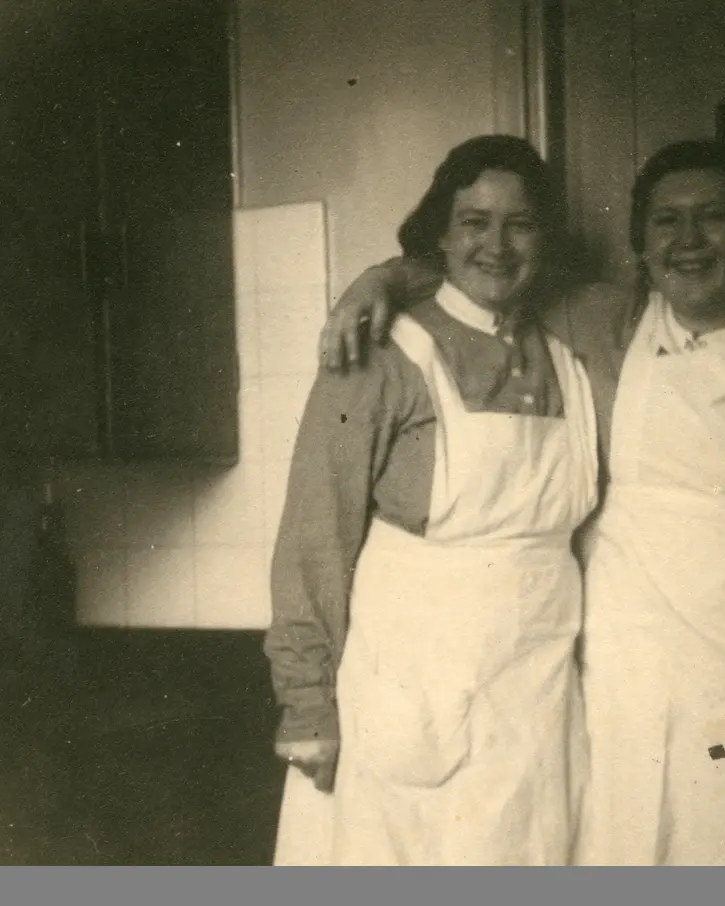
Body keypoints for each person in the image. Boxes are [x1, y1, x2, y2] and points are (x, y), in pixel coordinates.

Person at [320, 138, 725, 865]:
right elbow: (486, 269)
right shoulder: (605, 322)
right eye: (665, 221)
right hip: (628, 676)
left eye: (712, 217)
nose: (688, 241)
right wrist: (378, 280)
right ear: (641, 246)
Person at [262, 135, 599, 866]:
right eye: (473, 222)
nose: (497, 246)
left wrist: (387, 275)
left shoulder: (569, 354)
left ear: (545, 238)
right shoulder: (379, 355)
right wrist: (307, 703)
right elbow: (313, 536)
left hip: (538, 702)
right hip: (412, 696)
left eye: (520, 224)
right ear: (439, 235)